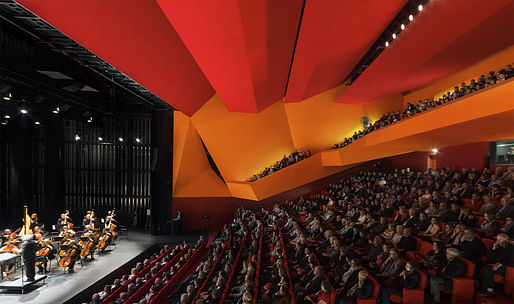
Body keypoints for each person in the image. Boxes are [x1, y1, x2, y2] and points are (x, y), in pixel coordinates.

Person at [479, 233, 514, 298]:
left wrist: (500, 264)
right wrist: (493, 249)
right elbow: (489, 257)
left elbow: (512, 263)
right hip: (495, 265)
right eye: (497, 240)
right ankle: (479, 284)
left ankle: (490, 290)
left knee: (488, 268)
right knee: (481, 263)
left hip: (506, 268)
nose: (497, 242)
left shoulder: (512, 249)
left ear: (506, 241)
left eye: (499, 240)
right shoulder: (498, 247)